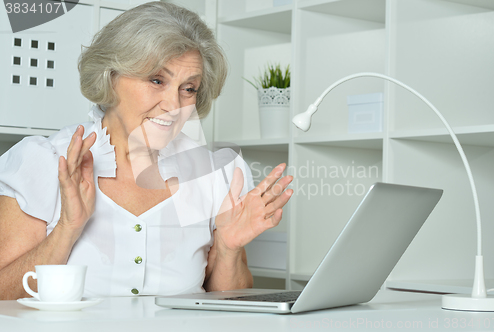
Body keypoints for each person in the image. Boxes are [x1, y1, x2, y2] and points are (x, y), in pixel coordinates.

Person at [0, 2, 293, 300]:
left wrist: (229, 250)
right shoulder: (48, 163)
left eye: (188, 88)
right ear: (111, 76)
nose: (174, 104)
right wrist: (67, 228)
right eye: (156, 80)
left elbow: (231, 305)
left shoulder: (213, 175)